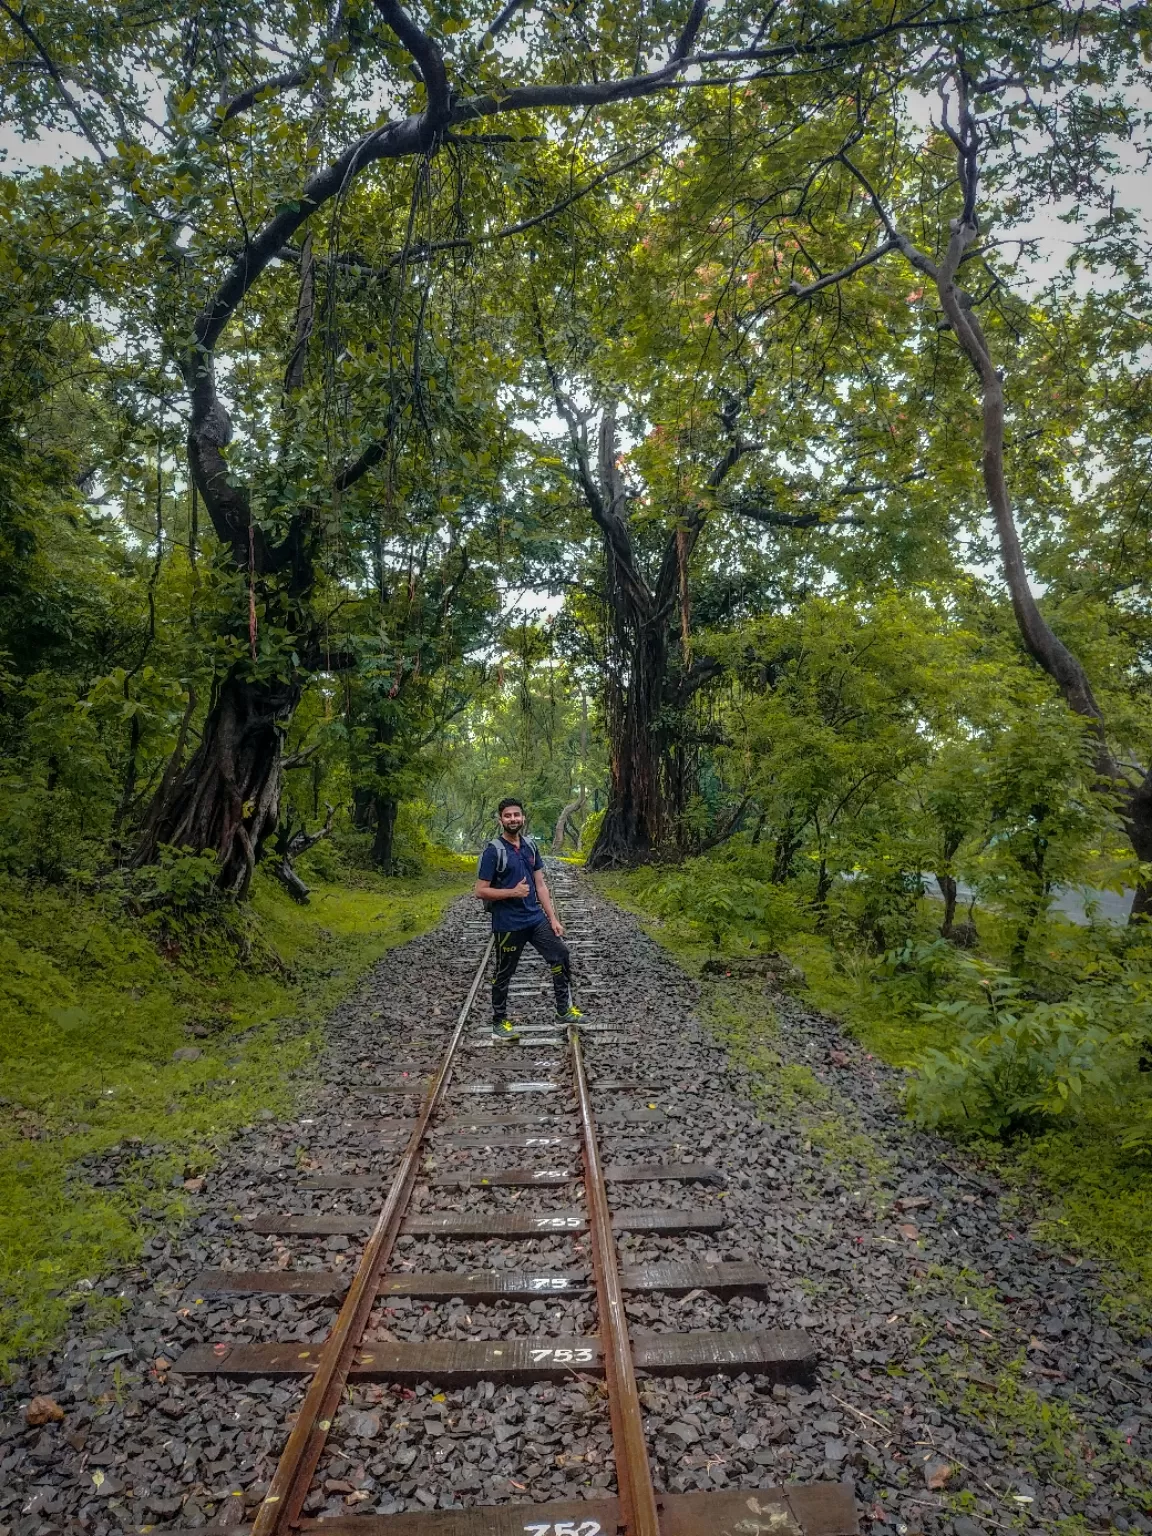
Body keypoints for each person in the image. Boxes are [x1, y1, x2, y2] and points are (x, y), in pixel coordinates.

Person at [473, 797, 584, 1041]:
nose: (513, 819)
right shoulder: (494, 851)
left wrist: (553, 918)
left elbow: (541, 884)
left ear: (523, 818)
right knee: (504, 972)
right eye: (507, 815)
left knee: (560, 955)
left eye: (516, 815)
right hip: (508, 923)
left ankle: (563, 1010)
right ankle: (499, 1022)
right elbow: (480, 890)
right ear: (500, 819)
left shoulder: (530, 846)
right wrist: (512, 892)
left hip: (534, 918)